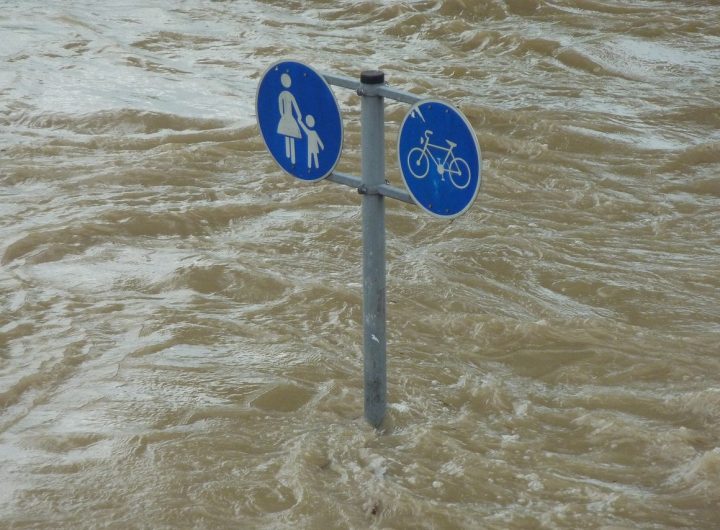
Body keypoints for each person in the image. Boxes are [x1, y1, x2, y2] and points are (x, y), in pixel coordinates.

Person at [276, 73, 302, 164]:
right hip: (289, 117)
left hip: (286, 117)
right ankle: (291, 158)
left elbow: (282, 108)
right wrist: (298, 115)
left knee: (288, 135)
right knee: (290, 136)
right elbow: (295, 106)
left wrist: (283, 115)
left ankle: (290, 158)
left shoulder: (283, 94)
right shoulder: (286, 95)